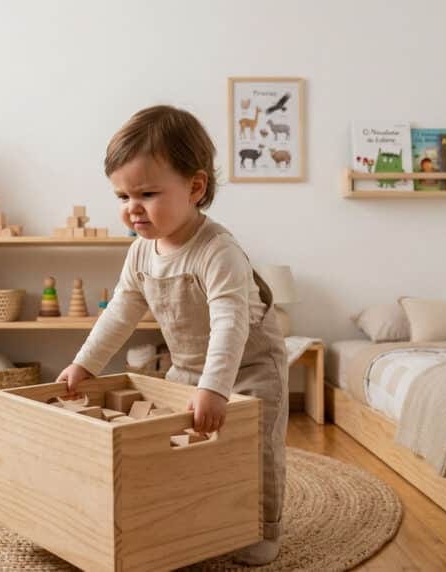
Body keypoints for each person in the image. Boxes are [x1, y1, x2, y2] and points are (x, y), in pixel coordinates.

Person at [56, 105, 289, 565]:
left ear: (195, 187)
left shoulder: (216, 251)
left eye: (146, 193)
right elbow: (119, 312)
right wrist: (84, 364)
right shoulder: (141, 252)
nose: (131, 209)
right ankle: (191, 517)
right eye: (122, 196)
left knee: (254, 451)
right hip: (186, 367)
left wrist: (215, 388)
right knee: (181, 450)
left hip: (248, 368)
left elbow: (229, 324)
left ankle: (261, 528)